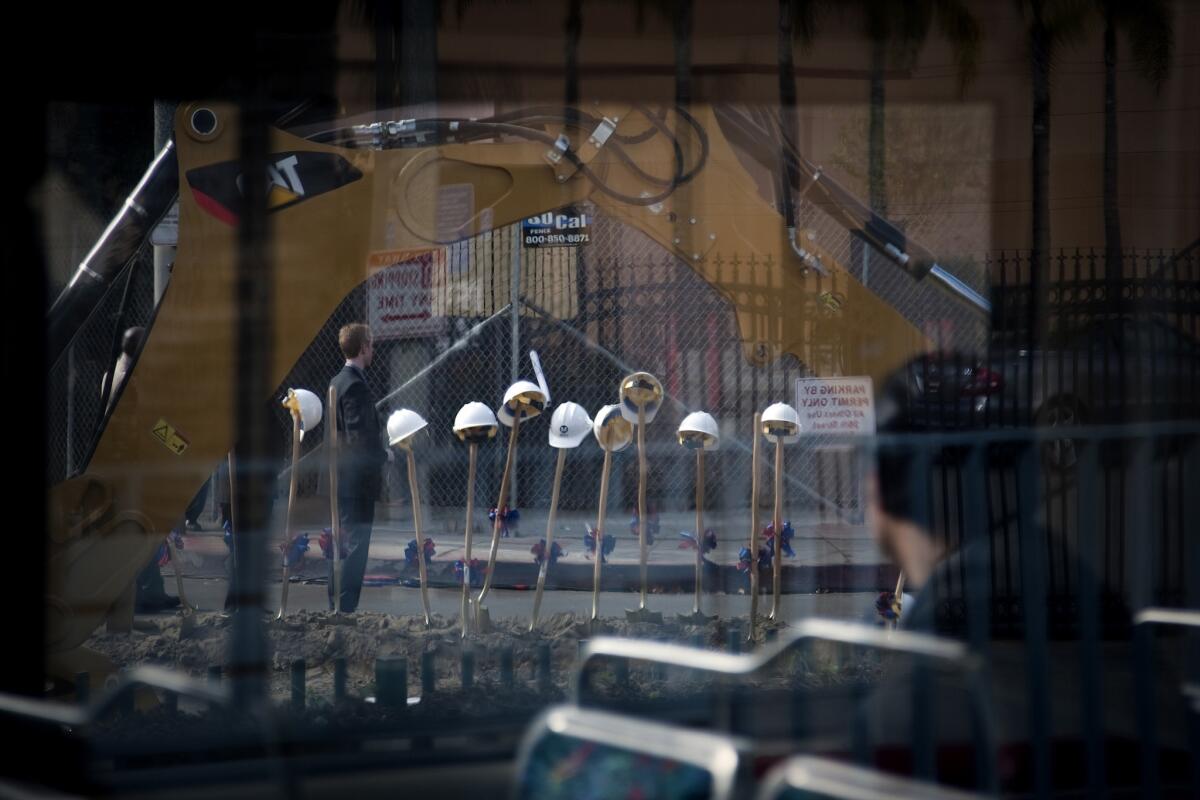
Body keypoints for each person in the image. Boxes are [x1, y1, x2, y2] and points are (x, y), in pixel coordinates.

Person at [329, 323, 390, 612]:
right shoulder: (354, 385)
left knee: (346, 542)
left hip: (342, 475)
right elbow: (359, 437)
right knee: (356, 545)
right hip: (356, 479)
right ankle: (345, 606)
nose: (373, 350)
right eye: (372, 344)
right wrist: (384, 456)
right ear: (363, 346)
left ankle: (336, 600)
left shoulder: (337, 381)